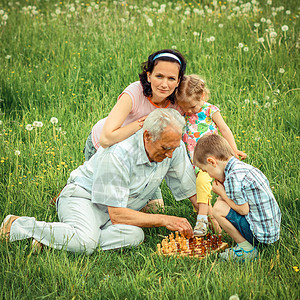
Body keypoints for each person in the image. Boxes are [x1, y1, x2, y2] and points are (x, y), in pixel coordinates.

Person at [0, 109, 198, 255]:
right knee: (86, 244)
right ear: (147, 135)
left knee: (135, 236)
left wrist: (210, 217)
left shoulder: (173, 146)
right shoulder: (119, 154)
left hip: (114, 210)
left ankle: (57, 239)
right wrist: (166, 220)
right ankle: (18, 225)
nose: (171, 154)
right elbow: (118, 214)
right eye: (165, 148)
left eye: (174, 147)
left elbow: (187, 185)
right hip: (83, 198)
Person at [176, 74, 247, 236]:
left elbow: (224, 129)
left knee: (202, 181)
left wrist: (233, 151)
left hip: (210, 161)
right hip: (192, 163)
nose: (188, 111)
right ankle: (217, 229)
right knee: (202, 195)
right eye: (184, 108)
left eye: (192, 107)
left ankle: (201, 220)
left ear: (202, 95)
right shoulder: (183, 112)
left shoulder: (209, 110)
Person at [84, 48, 186, 160]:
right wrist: (142, 124)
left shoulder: (179, 103)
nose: (164, 84)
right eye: (159, 76)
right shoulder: (135, 92)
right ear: (149, 76)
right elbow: (106, 139)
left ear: (178, 82)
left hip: (136, 152)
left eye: (171, 78)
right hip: (104, 147)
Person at [193, 134, 281, 261]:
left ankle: (246, 249)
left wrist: (222, 193)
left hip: (260, 236)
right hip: (271, 231)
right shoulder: (241, 168)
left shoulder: (233, 177)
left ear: (212, 162)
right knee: (223, 203)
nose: (209, 176)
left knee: (218, 209)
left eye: (205, 171)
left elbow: (243, 210)